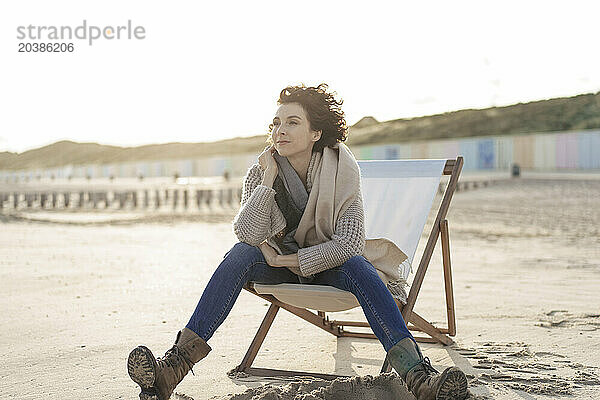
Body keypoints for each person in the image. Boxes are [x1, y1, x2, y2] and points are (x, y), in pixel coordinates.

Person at [127, 83, 469, 400]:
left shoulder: (344, 172)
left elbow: (348, 244)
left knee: (357, 264)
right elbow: (248, 233)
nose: (280, 131)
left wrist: (287, 261)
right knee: (240, 253)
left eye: (292, 122)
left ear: (315, 132)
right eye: (276, 123)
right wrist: (269, 180)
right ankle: (171, 369)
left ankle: (419, 378)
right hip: (280, 269)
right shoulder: (262, 171)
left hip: (329, 267)